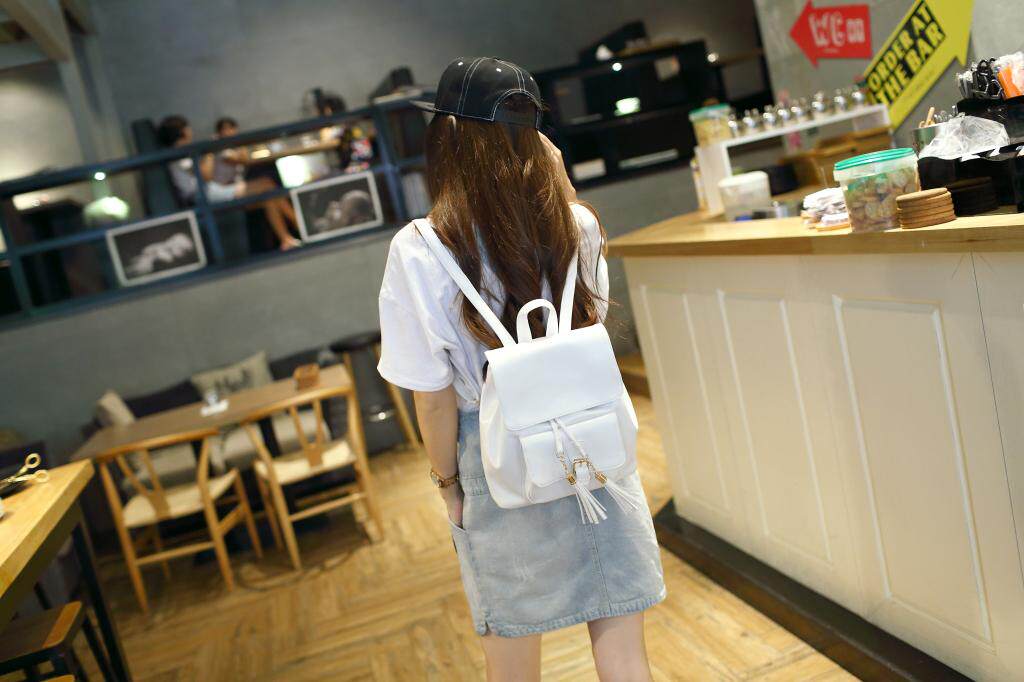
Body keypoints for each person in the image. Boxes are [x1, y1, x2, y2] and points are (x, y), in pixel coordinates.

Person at [376, 57, 665, 682]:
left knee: (511, 664)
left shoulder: (419, 248)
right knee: (625, 658)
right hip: (591, 446)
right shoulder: (578, 223)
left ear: (449, 139)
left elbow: (431, 395)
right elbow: (583, 319)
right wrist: (558, 180)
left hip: (495, 456)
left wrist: (447, 484)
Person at [156, 115, 301, 250]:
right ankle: (299, 226)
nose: (190, 131)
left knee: (268, 195)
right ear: (182, 132)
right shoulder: (178, 155)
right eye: (187, 128)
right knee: (266, 184)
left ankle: (287, 239)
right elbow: (206, 175)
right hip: (203, 196)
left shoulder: (182, 152)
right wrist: (211, 150)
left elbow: (242, 160)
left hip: (211, 190)